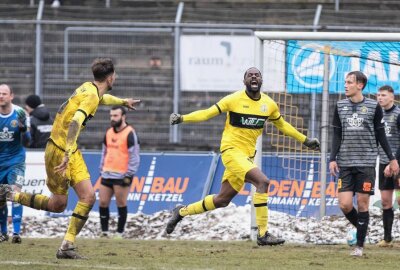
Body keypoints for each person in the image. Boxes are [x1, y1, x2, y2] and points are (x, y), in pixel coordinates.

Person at [0, 58, 140, 259]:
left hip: (62, 149)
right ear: (110, 78)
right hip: (62, 151)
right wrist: (67, 153)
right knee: (73, 201)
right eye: (115, 75)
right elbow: (76, 121)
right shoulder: (91, 96)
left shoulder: (88, 88)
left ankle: (64, 242)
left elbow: (102, 99)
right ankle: (15, 198)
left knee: (72, 201)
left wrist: (123, 101)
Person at [166, 67, 320, 245]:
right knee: (263, 182)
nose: (254, 77)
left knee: (222, 200)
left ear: (261, 80)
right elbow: (207, 113)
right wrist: (182, 118)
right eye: (250, 75)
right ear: (244, 81)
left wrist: (305, 140)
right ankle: (263, 234)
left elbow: (283, 126)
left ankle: (181, 212)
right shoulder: (233, 99)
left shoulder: (269, 105)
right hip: (231, 151)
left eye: (257, 75)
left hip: (247, 157)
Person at [329, 71, 399, 257]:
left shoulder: (373, 107)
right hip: (345, 162)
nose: (346, 85)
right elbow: (336, 134)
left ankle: (359, 246)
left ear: (360, 85)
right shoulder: (340, 106)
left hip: (366, 163)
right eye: (345, 82)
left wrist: (392, 159)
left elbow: (381, 135)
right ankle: (362, 227)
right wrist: (332, 158)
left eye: (349, 82)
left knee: (362, 204)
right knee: (344, 204)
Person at [98, 106, 140, 239]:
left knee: (121, 203)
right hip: (107, 173)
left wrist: (129, 174)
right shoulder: (109, 132)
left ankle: (119, 233)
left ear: (123, 117)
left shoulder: (129, 133)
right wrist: (102, 168)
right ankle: (104, 232)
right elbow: (104, 152)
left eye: (115, 116)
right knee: (103, 202)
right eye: (111, 116)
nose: (112, 118)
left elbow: (134, 156)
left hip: (122, 175)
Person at [0, 84, 31, 244]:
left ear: (11, 96)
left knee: (15, 194)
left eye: (4, 93)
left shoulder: (20, 113)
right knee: (0, 198)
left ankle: (17, 232)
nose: (1, 96)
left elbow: (28, 141)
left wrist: (23, 129)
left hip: (16, 162)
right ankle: (3, 232)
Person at [375, 85, 400, 247]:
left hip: (399, 161)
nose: (380, 98)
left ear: (392, 97)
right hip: (384, 161)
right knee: (385, 201)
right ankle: (387, 238)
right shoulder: (377, 115)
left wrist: (394, 162)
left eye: (383, 95)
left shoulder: (398, 114)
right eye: (378, 95)